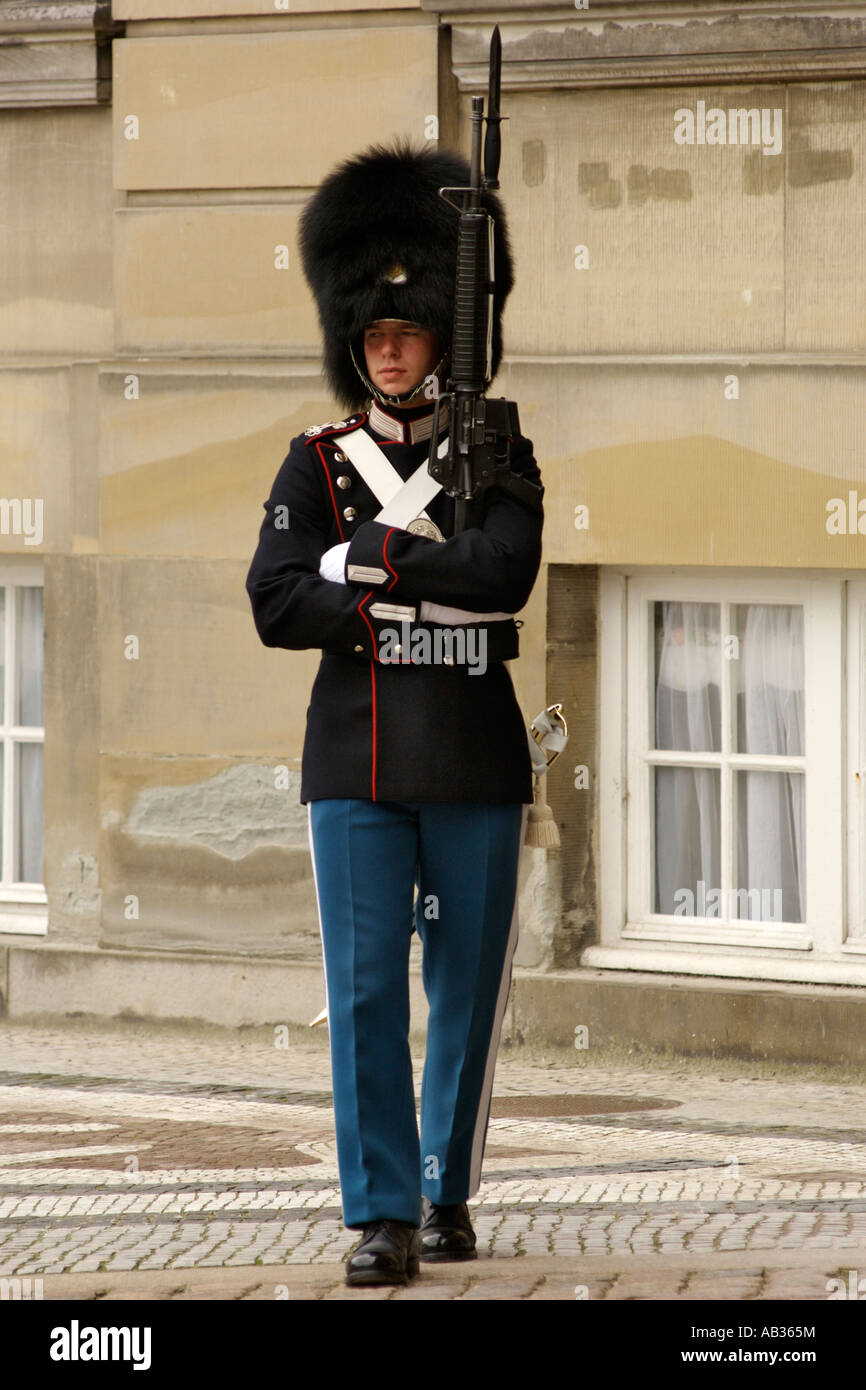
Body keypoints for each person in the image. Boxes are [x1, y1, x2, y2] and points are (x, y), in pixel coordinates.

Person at [245, 143, 544, 1287]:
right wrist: (406, 569)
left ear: (438, 338)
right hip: (356, 755)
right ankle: (378, 1210)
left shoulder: (498, 446)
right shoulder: (314, 461)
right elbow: (274, 601)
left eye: (406, 332)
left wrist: (366, 563)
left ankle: (443, 1186)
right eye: (370, 336)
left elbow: (503, 573)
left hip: (470, 753)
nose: (387, 348)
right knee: (366, 989)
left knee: (462, 992)